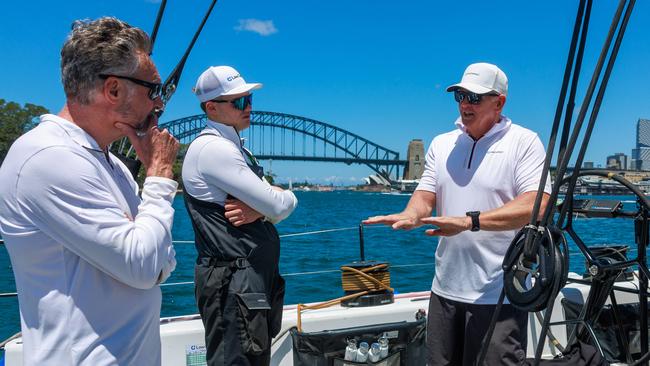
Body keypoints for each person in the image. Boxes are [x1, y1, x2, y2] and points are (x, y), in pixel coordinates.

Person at [0, 17, 179, 365]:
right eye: (153, 90)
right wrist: (159, 176)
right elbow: (143, 266)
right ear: (113, 89)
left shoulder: (108, 163)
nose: (158, 104)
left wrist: (150, 248)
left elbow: (161, 264)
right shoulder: (48, 158)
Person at [364, 62, 551, 365]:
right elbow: (425, 196)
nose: (465, 104)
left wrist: (469, 222)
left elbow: (538, 205)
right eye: (460, 96)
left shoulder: (524, 142)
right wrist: (411, 215)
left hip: (498, 294)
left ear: (499, 102)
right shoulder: (442, 143)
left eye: (474, 97)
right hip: (445, 291)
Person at [182, 65, 297, 365]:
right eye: (239, 102)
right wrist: (270, 205)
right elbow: (279, 205)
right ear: (211, 107)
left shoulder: (235, 148)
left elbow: (279, 204)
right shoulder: (214, 149)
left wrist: (264, 208)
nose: (249, 107)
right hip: (232, 286)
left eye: (249, 99)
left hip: (246, 284)